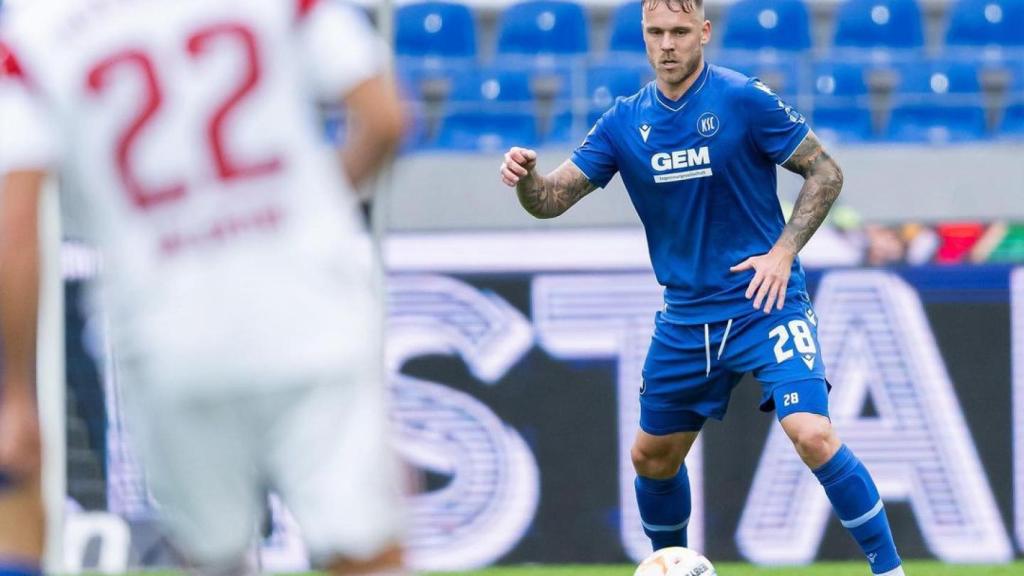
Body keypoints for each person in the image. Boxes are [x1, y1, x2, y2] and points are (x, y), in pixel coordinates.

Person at [0, 0, 406, 574]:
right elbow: (385, 117)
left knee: (210, 558)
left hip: (166, 331)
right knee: (365, 552)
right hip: (306, 305)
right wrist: (312, 209)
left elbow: (14, 224)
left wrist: (15, 389)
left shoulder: (38, 29)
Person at [499, 1, 904, 574]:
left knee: (812, 433)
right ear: (643, 35)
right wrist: (528, 178)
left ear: (704, 33)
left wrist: (783, 253)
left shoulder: (742, 98)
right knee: (652, 458)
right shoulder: (623, 121)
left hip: (765, 304)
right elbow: (552, 199)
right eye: (656, 32)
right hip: (687, 317)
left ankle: (890, 570)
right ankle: (675, 565)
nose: (667, 44)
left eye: (680, 32)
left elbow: (826, 171)